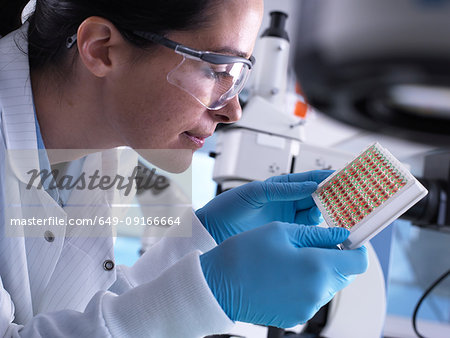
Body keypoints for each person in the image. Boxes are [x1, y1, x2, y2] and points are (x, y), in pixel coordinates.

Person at [0, 0, 368, 336]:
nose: (232, 110)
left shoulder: (102, 149)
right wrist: (211, 295)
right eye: (216, 69)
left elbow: (72, 317)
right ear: (102, 49)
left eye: (238, 75)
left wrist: (203, 239)